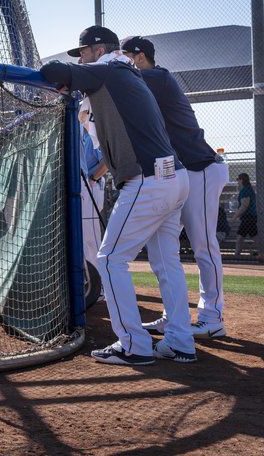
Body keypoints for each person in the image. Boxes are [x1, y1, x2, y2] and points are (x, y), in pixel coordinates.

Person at [40, 25, 194, 366]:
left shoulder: (108, 69)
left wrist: (67, 80)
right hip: (175, 177)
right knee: (167, 263)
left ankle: (134, 346)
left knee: (110, 260)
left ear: (97, 50)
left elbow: (52, 71)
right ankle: (181, 341)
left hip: (149, 180)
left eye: (82, 52)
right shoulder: (125, 71)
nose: (80, 58)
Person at [122, 36, 229, 340]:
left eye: (125, 57)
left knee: (203, 245)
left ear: (139, 57)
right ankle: (174, 316)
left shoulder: (157, 76)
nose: (121, 65)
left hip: (202, 169)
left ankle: (213, 317)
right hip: (180, 175)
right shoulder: (142, 83)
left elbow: (121, 86)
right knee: (165, 247)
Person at [79, 108, 108, 272]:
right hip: (87, 188)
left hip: (92, 186)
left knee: (92, 239)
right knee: (85, 237)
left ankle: (100, 285)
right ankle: (91, 279)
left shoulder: (92, 136)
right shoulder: (82, 135)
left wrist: (93, 179)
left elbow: (106, 163)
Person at [232, 172, 257, 258]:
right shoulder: (244, 190)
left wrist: (235, 216)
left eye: (238, 180)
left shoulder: (245, 190)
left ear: (242, 180)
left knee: (241, 237)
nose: (237, 182)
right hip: (248, 217)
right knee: (251, 236)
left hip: (248, 217)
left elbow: (244, 206)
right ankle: (237, 254)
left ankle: (236, 255)